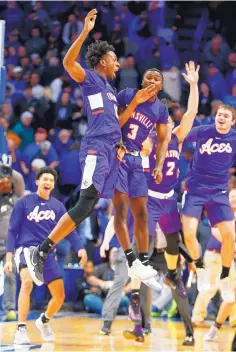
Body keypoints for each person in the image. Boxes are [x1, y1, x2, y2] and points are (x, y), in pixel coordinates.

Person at [24, 9, 157, 285]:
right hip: (96, 148)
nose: (118, 64)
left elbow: (117, 122)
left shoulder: (108, 89)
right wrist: (85, 31)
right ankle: (41, 251)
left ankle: (134, 262)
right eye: (115, 59)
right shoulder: (90, 79)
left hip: (111, 148)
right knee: (85, 203)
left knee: (109, 205)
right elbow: (67, 61)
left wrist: (133, 105)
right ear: (103, 61)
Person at [4, 167, 87, 345]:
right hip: (26, 251)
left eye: (51, 180)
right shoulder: (23, 202)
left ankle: (43, 321)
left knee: (59, 297)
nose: (48, 183)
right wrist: (9, 258)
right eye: (45, 179)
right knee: (26, 283)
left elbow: (69, 229)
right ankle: (21, 329)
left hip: (48, 254)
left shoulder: (57, 206)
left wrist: (80, 247)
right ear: (37, 182)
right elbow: (12, 231)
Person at [113, 67, 171, 279]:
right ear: (142, 80)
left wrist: (158, 164)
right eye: (148, 77)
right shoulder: (127, 94)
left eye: (156, 79)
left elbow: (164, 139)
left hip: (136, 159)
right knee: (120, 210)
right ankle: (130, 258)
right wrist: (135, 102)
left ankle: (143, 261)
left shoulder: (160, 110)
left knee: (142, 213)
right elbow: (113, 123)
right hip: (116, 153)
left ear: (160, 86)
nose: (152, 81)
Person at [181, 103, 236, 302]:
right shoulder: (203, 131)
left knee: (229, 236)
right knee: (188, 234)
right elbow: (180, 136)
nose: (221, 117)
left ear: (233, 121)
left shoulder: (234, 139)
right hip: (195, 189)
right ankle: (200, 268)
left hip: (219, 192)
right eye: (219, 114)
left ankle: (224, 278)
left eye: (226, 116)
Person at [192, 190, 236, 327]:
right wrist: (232, 245)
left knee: (233, 287)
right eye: (233, 196)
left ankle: (233, 320)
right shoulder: (222, 211)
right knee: (209, 287)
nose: (234, 198)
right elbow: (215, 231)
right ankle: (197, 317)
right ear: (228, 198)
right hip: (214, 255)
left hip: (228, 257)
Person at [0, 154, 25, 321]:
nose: (5, 184)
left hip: (9, 245)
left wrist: (8, 170)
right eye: (2, 181)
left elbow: (20, 179)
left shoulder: (17, 199)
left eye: (7, 182)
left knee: (10, 276)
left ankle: (10, 309)